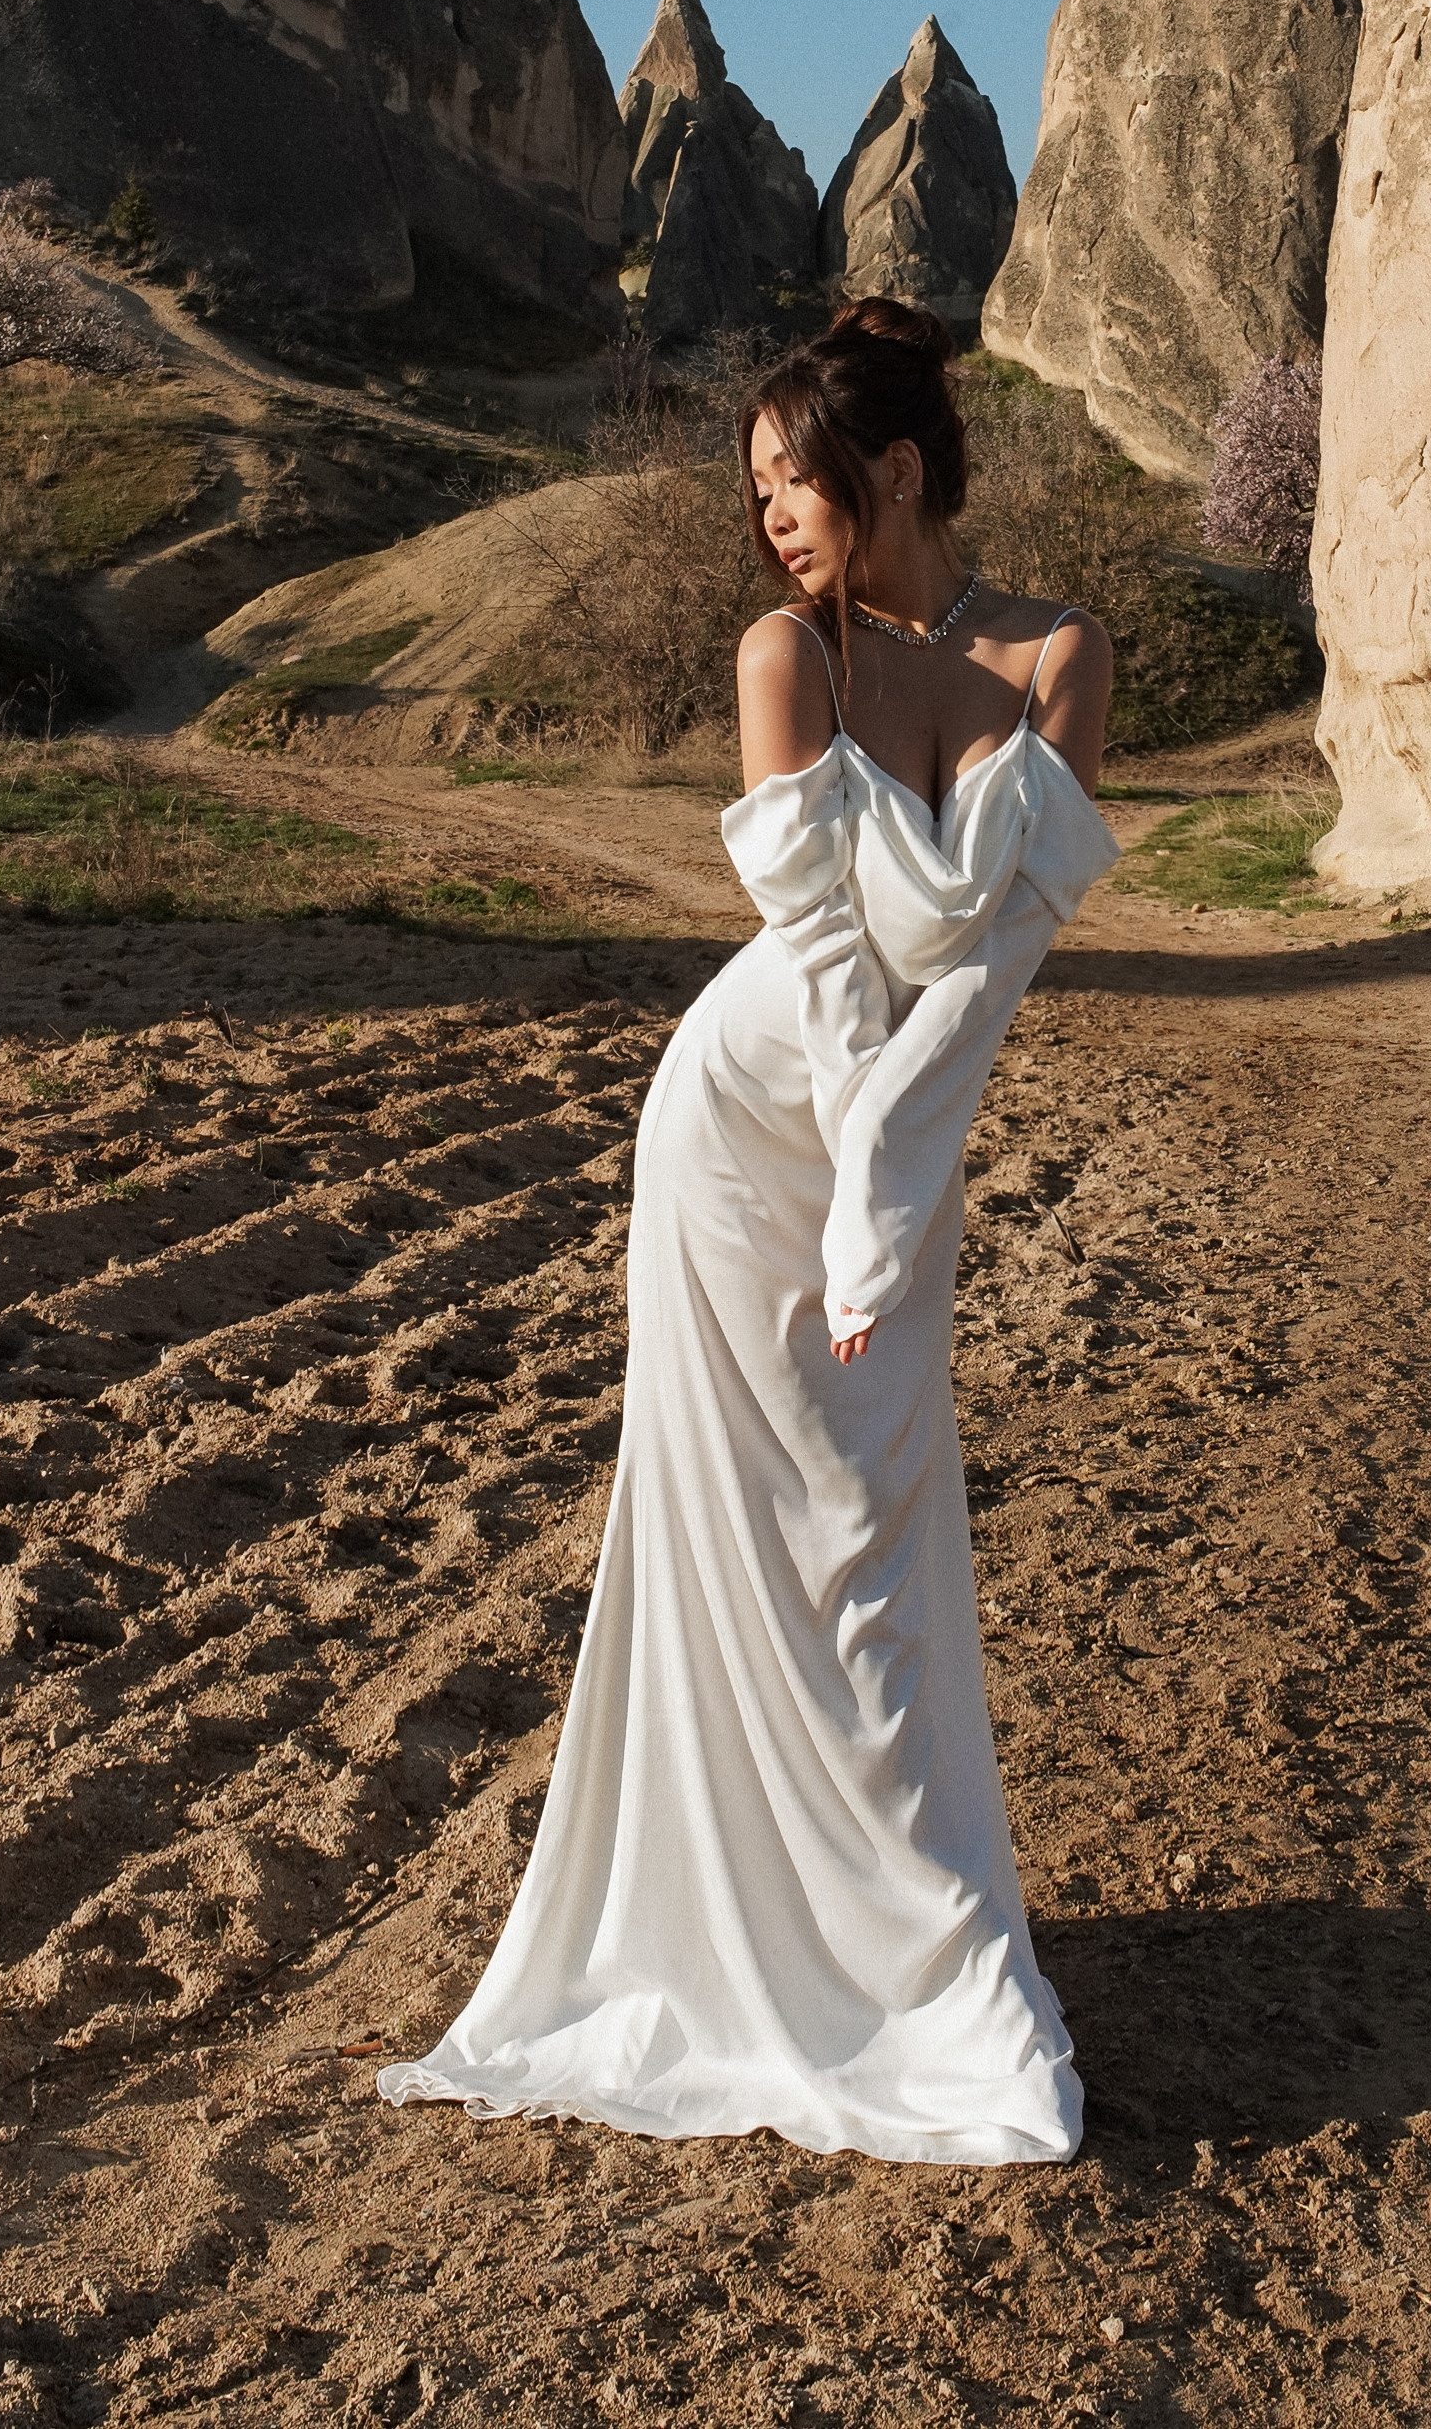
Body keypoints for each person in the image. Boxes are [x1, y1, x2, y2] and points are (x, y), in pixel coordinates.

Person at [379, 298, 1117, 2163]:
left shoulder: (1055, 661)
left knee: (867, 1537)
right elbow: (833, 978)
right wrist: (864, 1193)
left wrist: (884, 1211)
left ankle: (910, 1954)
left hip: (891, 1153)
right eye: (756, 488)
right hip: (743, 1134)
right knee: (748, 1525)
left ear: (896, 470)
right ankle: (737, 1954)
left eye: (800, 478)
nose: (776, 514)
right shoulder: (780, 656)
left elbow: (980, 988)